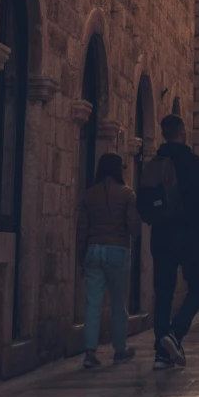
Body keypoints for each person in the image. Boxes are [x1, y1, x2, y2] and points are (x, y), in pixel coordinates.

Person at [137, 112, 199, 366]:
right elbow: (197, 201)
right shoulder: (191, 161)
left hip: (160, 234)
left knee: (163, 292)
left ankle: (161, 353)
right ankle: (174, 334)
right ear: (182, 132)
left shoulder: (155, 161)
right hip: (186, 232)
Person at [75, 151, 138, 369]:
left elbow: (81, 229)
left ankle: (89, 353)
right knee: (119, 304)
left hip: (93, 250)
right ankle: (119, 349)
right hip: (117, 250)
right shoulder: (127, 194)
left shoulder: (89, 195)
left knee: (92, 304)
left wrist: (80, 258)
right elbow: (134, 226)